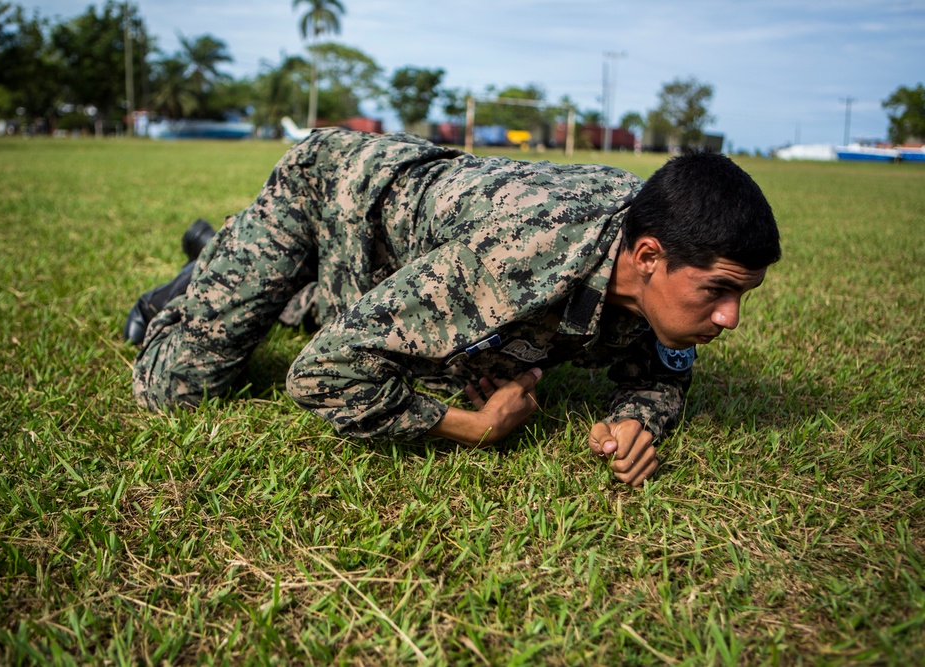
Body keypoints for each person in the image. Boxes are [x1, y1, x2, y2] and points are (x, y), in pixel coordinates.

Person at [126, 129, 779, 486]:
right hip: (334, 190)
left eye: (740, 295)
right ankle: (199, 278)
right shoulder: (526, 259)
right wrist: (477, 427)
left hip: (414, 241)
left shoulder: (664, 240)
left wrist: (638, 421)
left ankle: (244, 264)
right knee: (177, 386)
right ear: (647, 259)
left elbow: (663, 370)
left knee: (421, 346)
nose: (730, 318)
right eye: (716, 291)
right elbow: (321, 374)